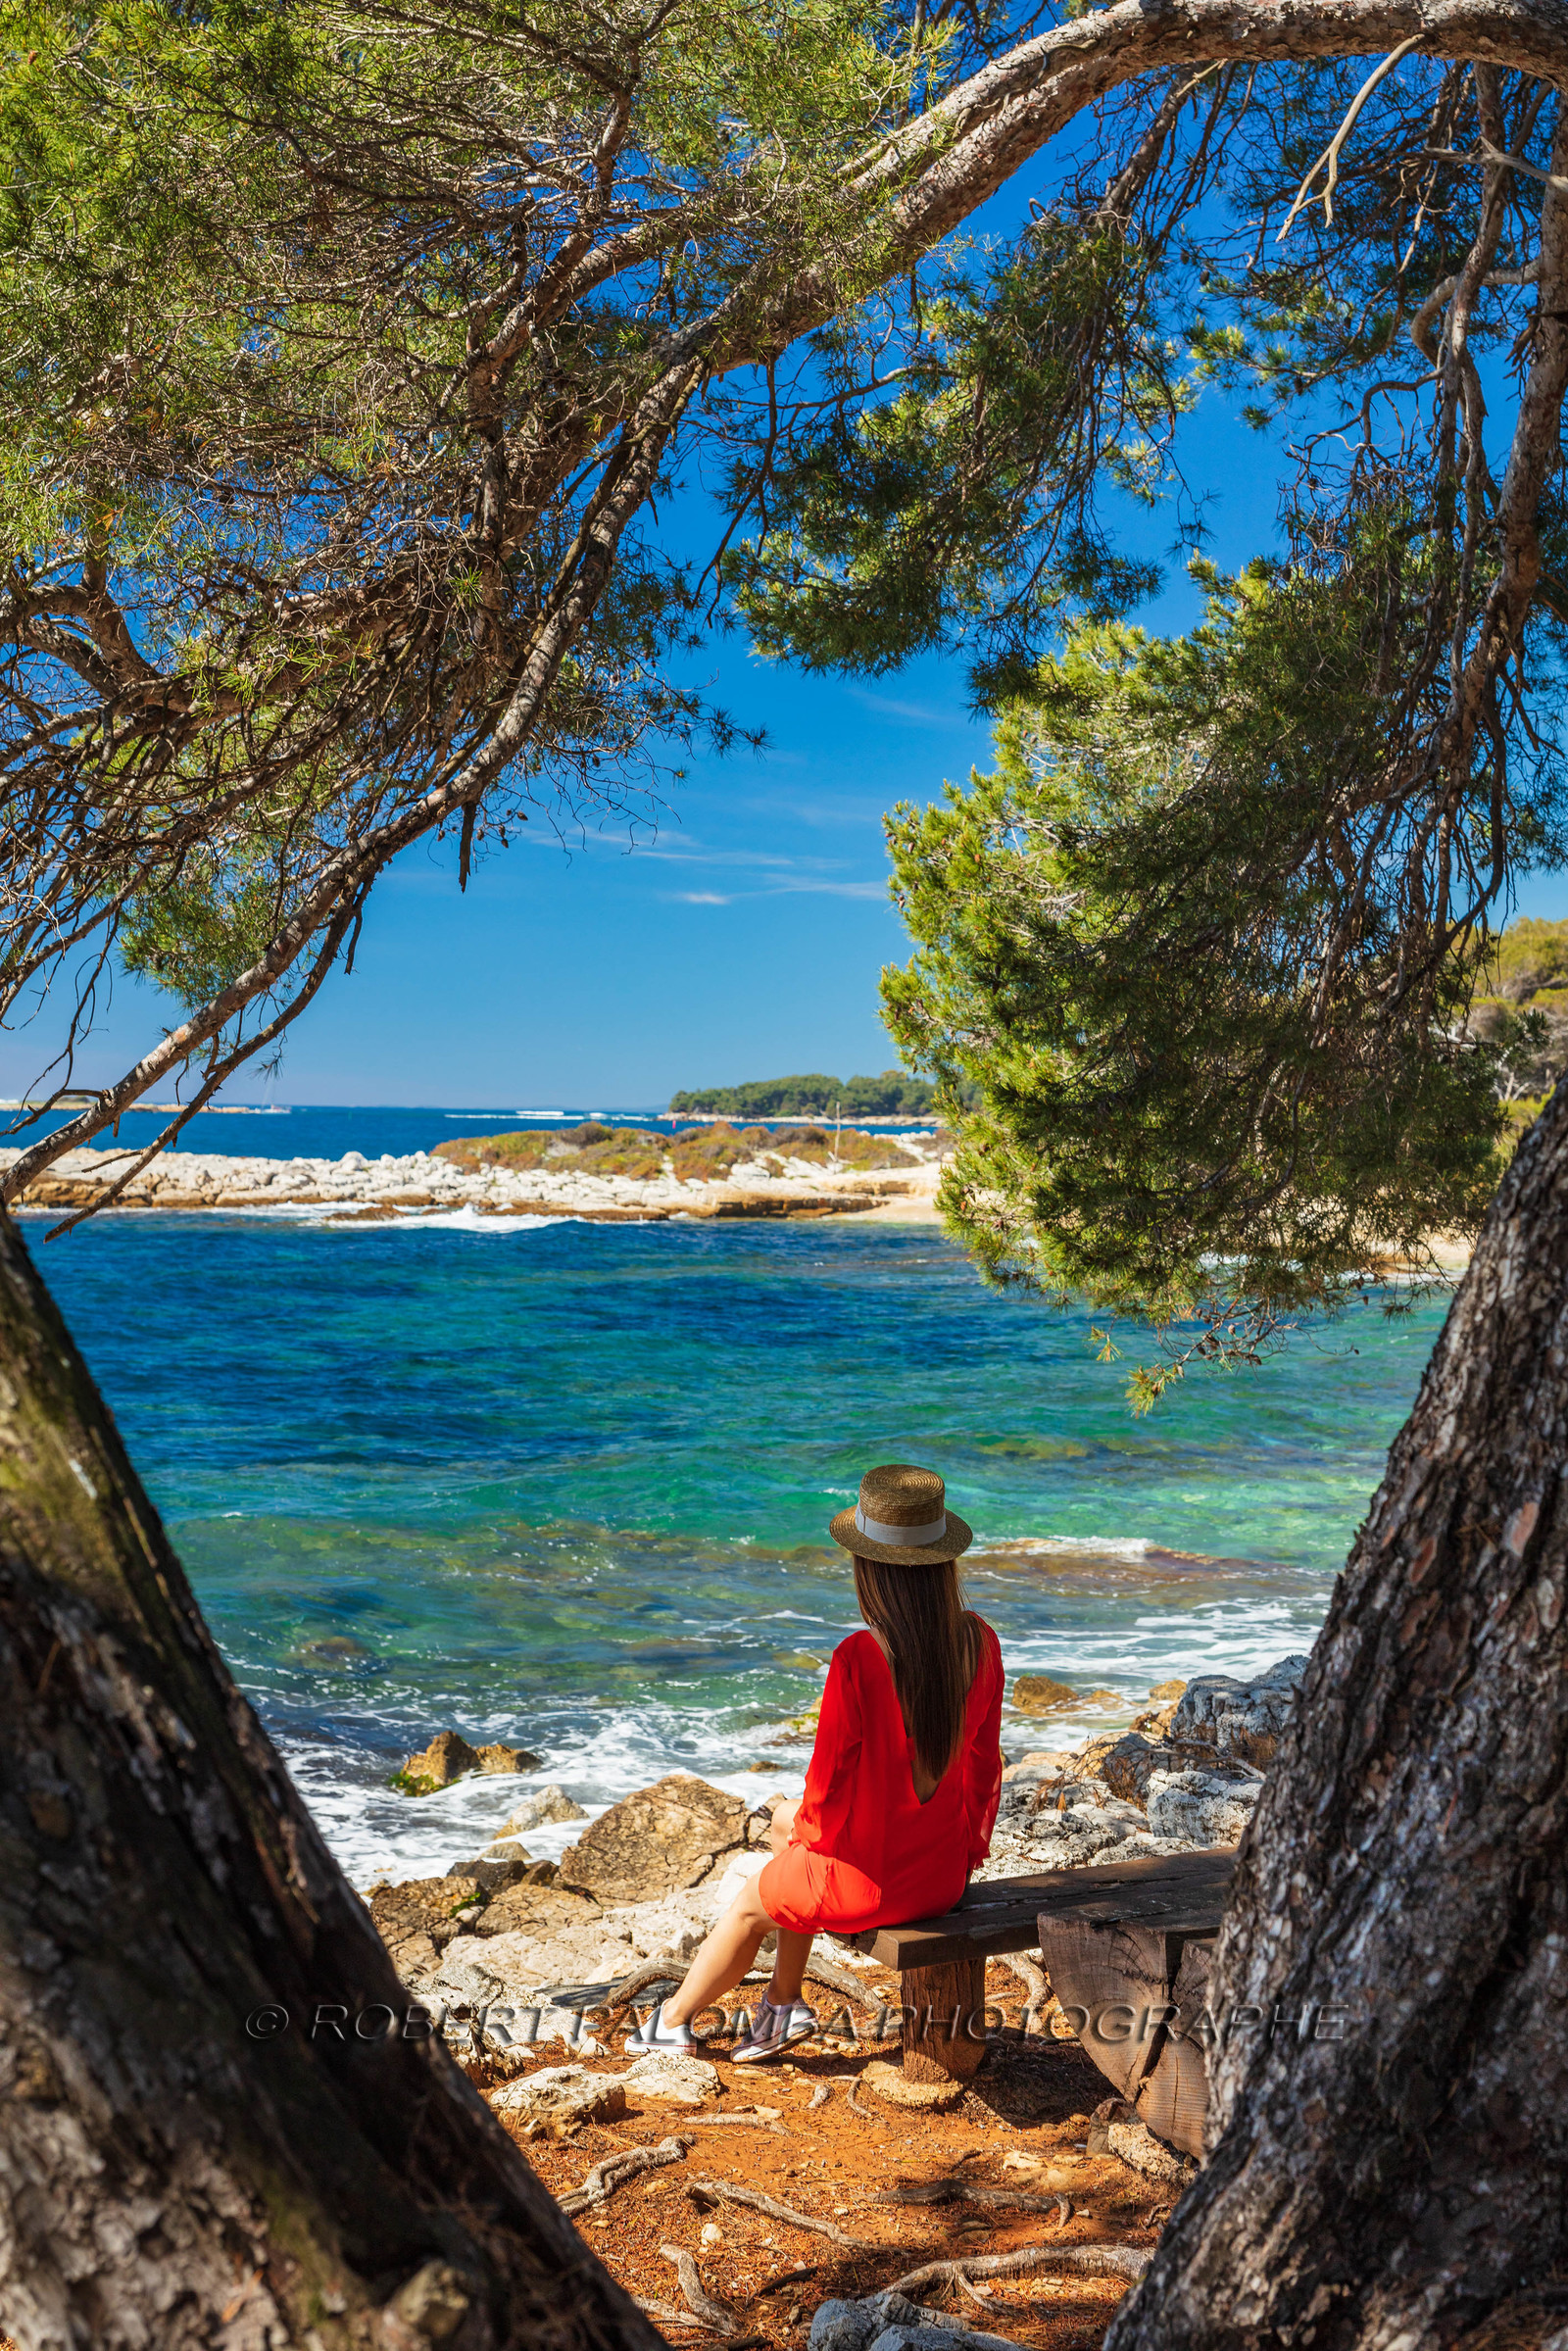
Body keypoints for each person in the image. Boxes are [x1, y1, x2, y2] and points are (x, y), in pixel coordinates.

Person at [627, 1461, 1004, 2062]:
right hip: (942, 1878)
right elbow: (985, 1768)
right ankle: (781, 2004)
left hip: (873, 1888)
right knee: (787, 1830)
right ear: (942, 1562)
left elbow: (826, 1794)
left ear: (870, 1568)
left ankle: (670, 2022)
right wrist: (968, 1856)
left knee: (752, 1901)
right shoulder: (980, 1641)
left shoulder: (860, 1657)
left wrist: (799, 1827)